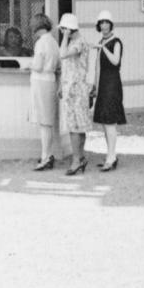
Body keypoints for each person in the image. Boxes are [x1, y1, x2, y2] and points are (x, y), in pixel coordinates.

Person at [58, 13, 92, 175]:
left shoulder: (78, 42)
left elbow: (63, 54)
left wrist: (64, 37)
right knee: (78, 126)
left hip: (76, 90)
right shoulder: (75, 41)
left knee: (75, 127)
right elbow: (67, 66)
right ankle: (80, 157)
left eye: (64, 29)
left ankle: (76, 160)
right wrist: (61, 85)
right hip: (71, 88)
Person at [91, 10, 126, 171]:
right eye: (101, 23)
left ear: (111, 24)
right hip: (103, 84)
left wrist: (103, 48)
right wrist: (95, 86)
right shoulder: (101, 41)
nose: (104, 25)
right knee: (105, 122)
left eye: (106, 22)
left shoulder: (116, 42)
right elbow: (97, 67)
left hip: (112, 84)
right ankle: (110, 155)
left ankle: (111, 157)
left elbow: (115, 60)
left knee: (110, 121)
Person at [29, 13, 60, 171]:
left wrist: (29, 64)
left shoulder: (41, 43)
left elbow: (38, 66)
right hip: (51, 81)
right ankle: (47, 154)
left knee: (44, 123)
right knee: (48, 122)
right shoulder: (53, 42)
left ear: (36, 27)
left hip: (41, 81)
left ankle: (45, 156)